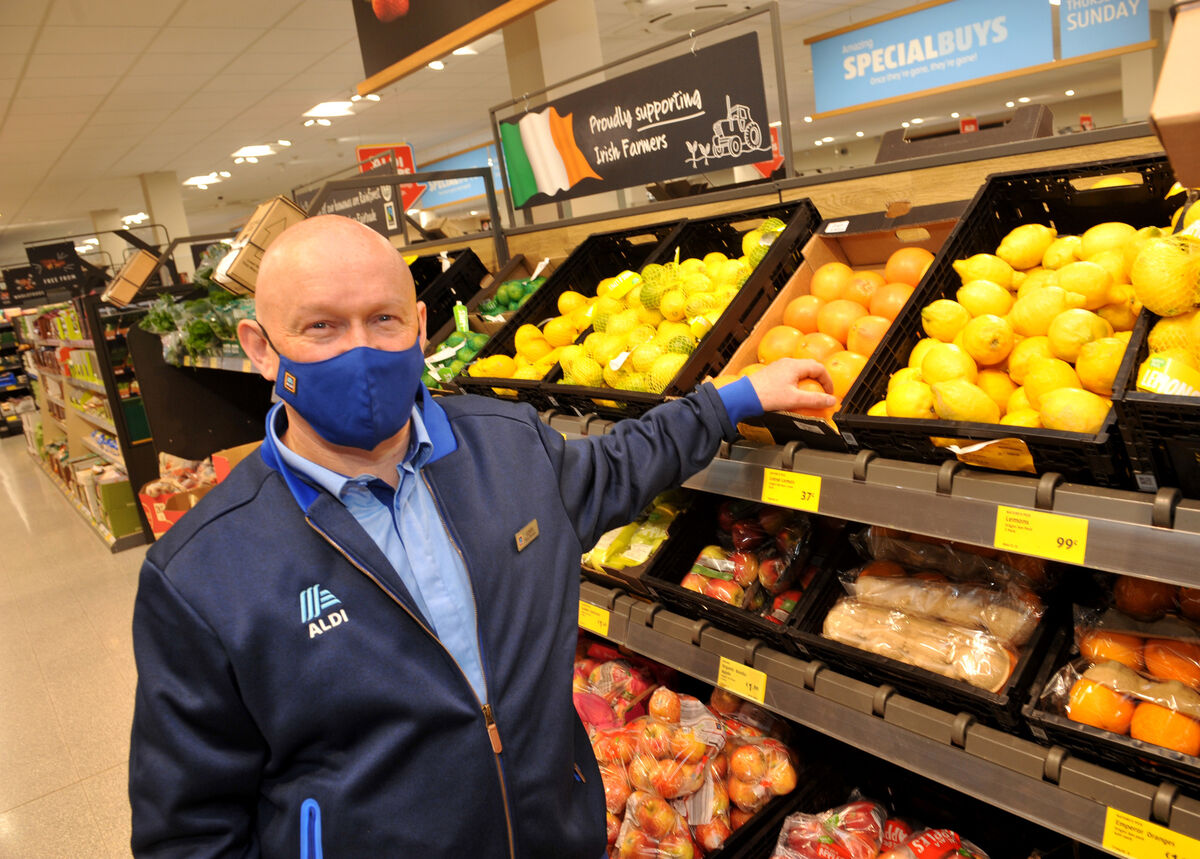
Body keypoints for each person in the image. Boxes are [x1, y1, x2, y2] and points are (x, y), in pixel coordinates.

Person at [128, 215, 835, 858]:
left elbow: (621, 464)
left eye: (384, 319)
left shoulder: (509, 448)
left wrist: (734, 398)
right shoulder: (202, 573)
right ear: (260, 348)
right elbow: (189, 834)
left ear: (421, 325)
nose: (362, 351)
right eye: (322, 327)